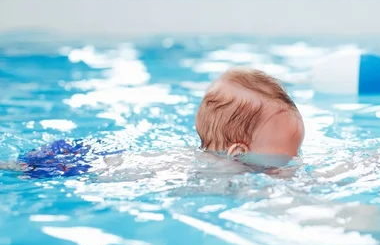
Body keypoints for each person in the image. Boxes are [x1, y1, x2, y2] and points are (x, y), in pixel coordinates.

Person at [6, 67, 305, 179]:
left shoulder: (230, 160)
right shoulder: (225, 170)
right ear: (237, 152)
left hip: (94, 155)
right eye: (288, 152)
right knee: (15, 168)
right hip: (78, 166)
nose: (295, 160)